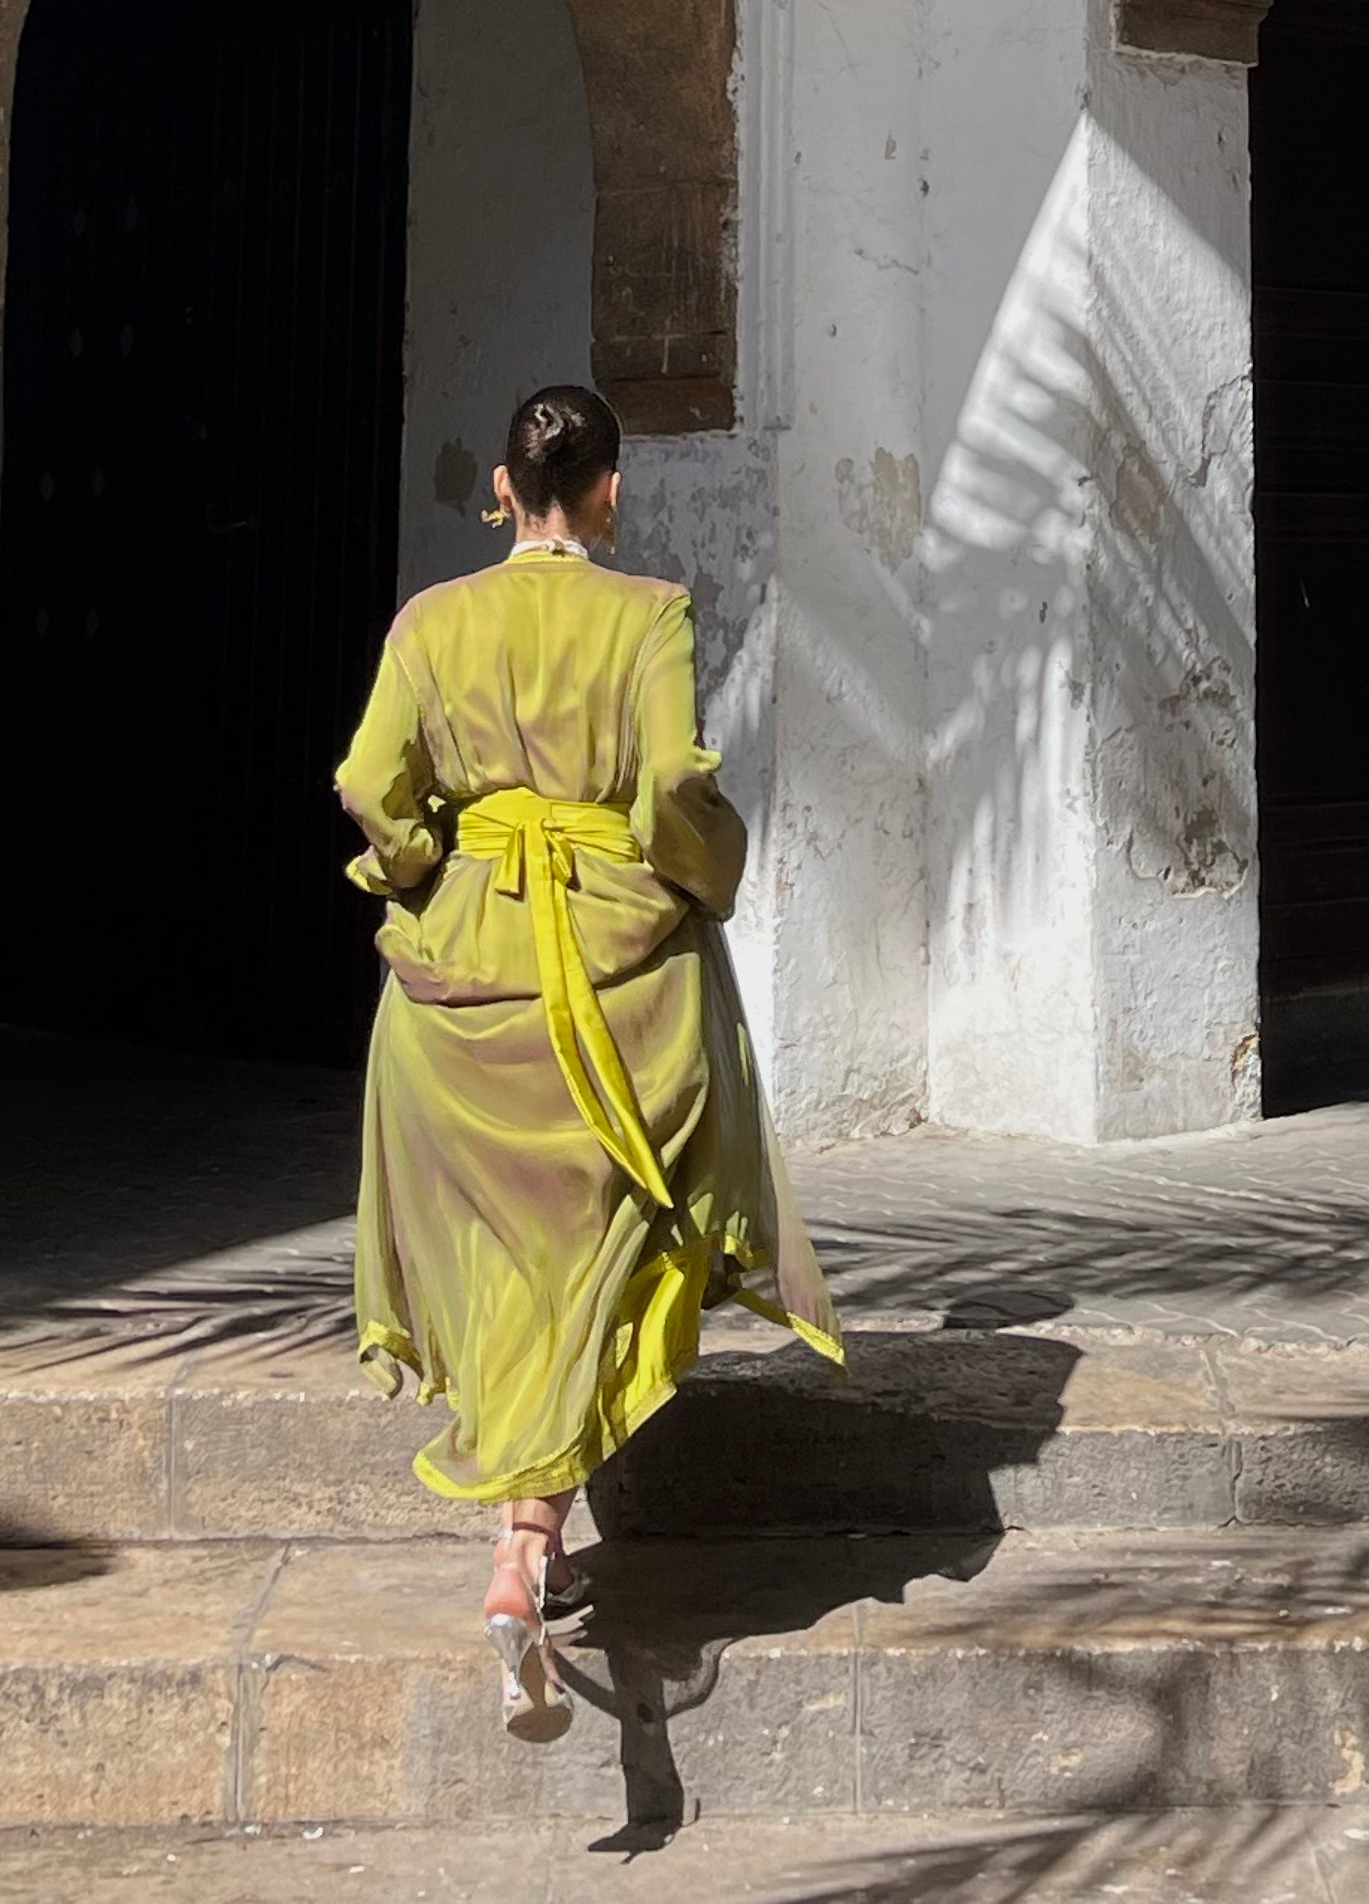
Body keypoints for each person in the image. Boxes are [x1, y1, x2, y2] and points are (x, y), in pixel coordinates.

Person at [335, 379, 839, 1727]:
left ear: (504, 488)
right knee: (604, 1239)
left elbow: (371, 786)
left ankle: (522, 1542)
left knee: (507, 1248)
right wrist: (704, 878)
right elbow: (674, 786)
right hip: (616, 964)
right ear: (609, 490)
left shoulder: (431, 624)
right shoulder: (648, 613)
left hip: (469, 962)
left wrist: (422, 861)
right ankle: (526, 1544)